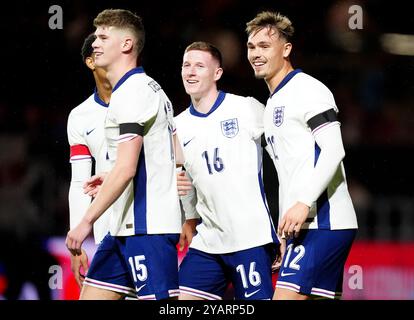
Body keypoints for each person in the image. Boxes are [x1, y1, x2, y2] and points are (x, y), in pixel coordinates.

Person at [65, 9, 182, 300]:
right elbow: (173, 156)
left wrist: (85, 222)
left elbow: (127, 168)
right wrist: (111, 175)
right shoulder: (147, 89)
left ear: (127, 44)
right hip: (120, 231)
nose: (95, 43)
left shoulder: (133, 92)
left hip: (147, 231)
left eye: (104, 37)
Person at [245, 11, 358, 300]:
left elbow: (334, 150)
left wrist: (303, 204)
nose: (256, 54)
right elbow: (288, 174)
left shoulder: (308, 89)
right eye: (251, 46)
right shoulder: (272, 103)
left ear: (286, 49)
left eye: (264, 46)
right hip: (304, 227)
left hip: (325, 221)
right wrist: (285, 233)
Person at [174, 41, 279, 300]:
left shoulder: (245, 108)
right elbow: (182, 173)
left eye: (200, 66)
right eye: (187, 65)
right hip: (208, 240)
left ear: (217, 74)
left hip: (250, 239)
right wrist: (188, 217)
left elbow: (284, 150)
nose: (191, 72)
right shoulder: (177, 125)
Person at [66, 33, 112, 289]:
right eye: (101, 52)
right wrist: (77, 240)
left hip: (148, 227)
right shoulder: (80, 116)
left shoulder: (146, 101)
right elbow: (80, 182)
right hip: (106, 229)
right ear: (90, 62)